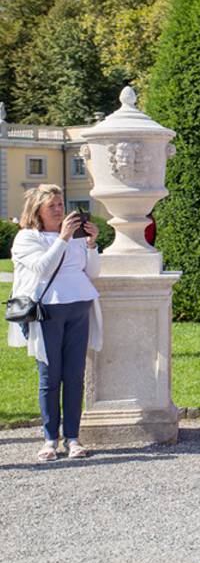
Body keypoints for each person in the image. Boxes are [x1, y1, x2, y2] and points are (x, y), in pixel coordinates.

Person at [7, 185, 102, 461]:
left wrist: (91, 245)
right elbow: (43, 268)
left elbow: (92, 272)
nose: (60, 210)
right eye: (53, 206)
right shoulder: (27, 238)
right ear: (38, 210)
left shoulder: (74, 237)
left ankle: (73, 437)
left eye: (61, 204)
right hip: (47, 311)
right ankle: (50, 438)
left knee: (74, 375)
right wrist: (62, 238)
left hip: (79, 306)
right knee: (50, 376)